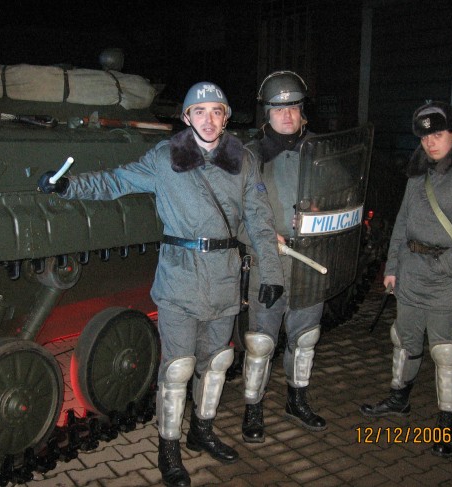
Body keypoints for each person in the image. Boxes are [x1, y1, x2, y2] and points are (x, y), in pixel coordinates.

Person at [37, 82, 284, 487]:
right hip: (180, 277)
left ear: (225, 118)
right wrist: (68, 186)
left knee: (216, 363)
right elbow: (116, 182)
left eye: (216, 111)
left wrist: (271, 273)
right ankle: (168, 448)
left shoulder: (244, 160)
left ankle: (202, 431)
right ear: (186, 117)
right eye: (199, 111)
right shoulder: (165, 157)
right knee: (177, 367)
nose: (208, 119)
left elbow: (259, 220)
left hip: (224, 277)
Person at [359, 100, 452, 458]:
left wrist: (447, 265)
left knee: (444, 350)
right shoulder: (418, 172)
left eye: (438, 135)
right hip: (411, 273)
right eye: (425, 137)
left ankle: (446, 423)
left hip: (447, 278)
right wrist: (392, 267)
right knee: (404, 339)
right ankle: (399, 398)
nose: (430, 142)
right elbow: (402, 222)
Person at [238, 71, 327, 444]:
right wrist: (258, 237)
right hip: (267, 262)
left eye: (293, 107)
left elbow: (344, 197)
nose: (287, 115)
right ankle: (253, 407)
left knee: (305, 338)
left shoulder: (321, 151)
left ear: (302, 110)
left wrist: (322, 212)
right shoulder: (249, 157)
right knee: (261, 342)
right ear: (267, 113)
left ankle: (296, 400)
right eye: (278, 108)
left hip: (309, 261)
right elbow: (229, 213)